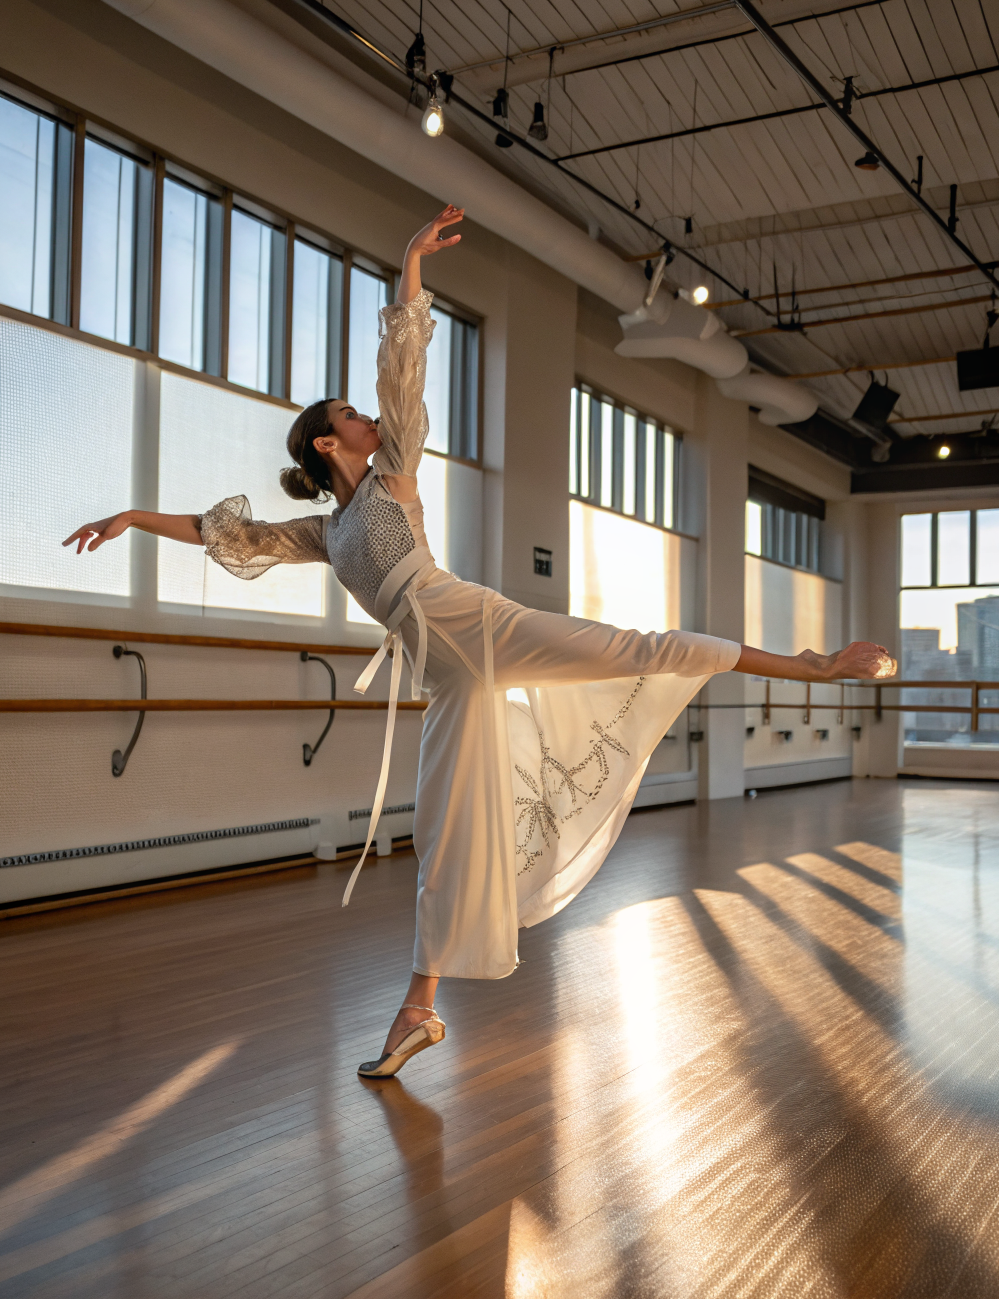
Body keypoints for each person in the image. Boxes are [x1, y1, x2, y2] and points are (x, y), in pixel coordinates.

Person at [64, 205, 896, 1079]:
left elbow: (404, 373)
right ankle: (418, 1010)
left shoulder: (392, 477)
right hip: (450, 677)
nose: (368, 417)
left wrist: (411, 266)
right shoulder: (328, 531)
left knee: (640, 647)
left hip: (480, 626)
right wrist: (131, 517)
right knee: (443, 834)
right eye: (350, 415)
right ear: (326, 441)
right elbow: (229, 534)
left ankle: (811, 664)